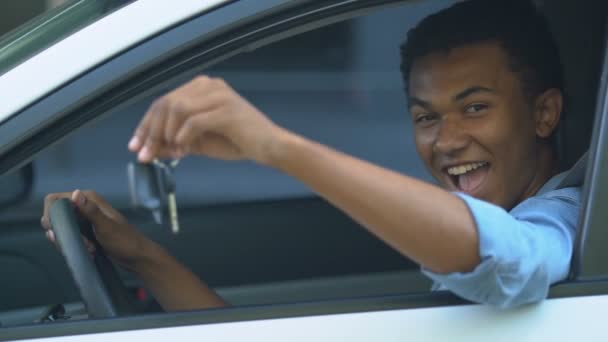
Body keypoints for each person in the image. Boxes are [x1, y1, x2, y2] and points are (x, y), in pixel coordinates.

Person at [41, 0, 581, 310]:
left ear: (544, 114)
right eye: (426, 117)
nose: (446, 140)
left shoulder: (569, 217)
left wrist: (276, 147)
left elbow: (506, 256)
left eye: (475, 108)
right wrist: (140, 254)